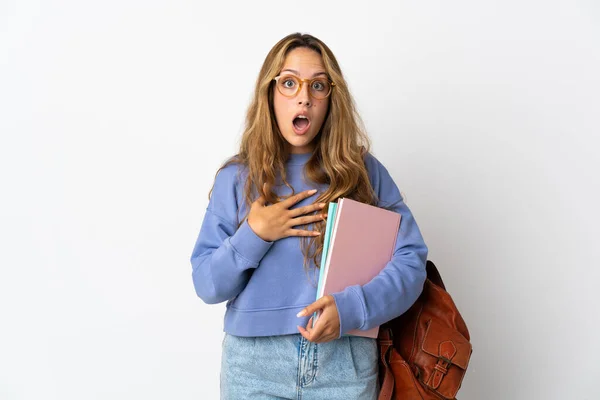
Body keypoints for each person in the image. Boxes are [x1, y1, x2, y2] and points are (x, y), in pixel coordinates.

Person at [190, 33, 428, 400]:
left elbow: (411, 263)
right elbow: (207, 284)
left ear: (331, 98)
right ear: (269, 94)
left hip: (345, 362)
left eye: (318, 85)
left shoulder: (363, 173)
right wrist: (255, 233)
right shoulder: (237, 179)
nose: (304, 96)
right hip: (254, 368)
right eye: (289, 83)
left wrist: (352, 308)